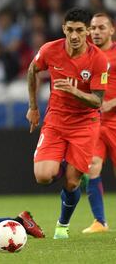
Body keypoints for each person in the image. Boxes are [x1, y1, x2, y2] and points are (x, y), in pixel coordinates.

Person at [26, 8, 108, 239]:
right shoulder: (50, 50)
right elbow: (32, 70)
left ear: (88, 32)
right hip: (56, 121)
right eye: (70, 29)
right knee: (43, 176)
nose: (74, 35)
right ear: (64, 29)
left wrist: (74, 91)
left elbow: (97, 101)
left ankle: (62, 224)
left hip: (85, 124)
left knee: (72, 183)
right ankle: (63, 161)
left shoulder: (98, 60)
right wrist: (33, 107)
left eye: (80, 31)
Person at [82, 12, 116, 234]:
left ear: (112, 30)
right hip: (94, 123)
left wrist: (113, 102)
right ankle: (100, 222)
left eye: (101, 27)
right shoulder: (86, 55)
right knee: (91, 166)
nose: (96, 31)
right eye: (93, 27)